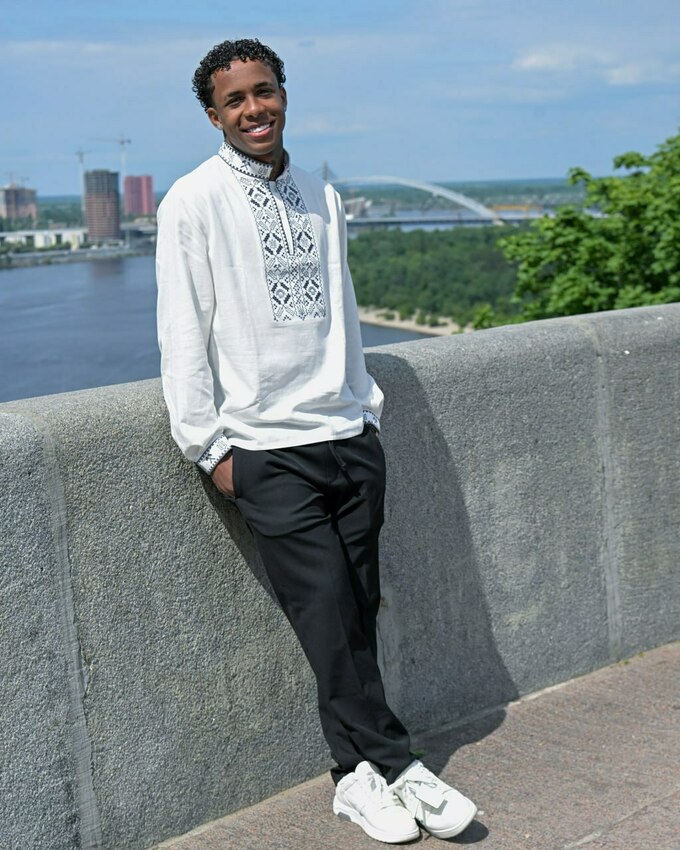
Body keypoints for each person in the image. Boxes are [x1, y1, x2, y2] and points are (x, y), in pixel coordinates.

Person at [156, 37, 477, 844]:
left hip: (347, 436)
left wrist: (365, 409)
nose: (253, 109)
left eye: (263, 91)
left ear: (283, 93)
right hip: (266, 451)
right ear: (213, 116)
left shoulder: (320, 195)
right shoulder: (192, 202)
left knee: (355, 612)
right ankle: (399, 766)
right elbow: (181, 335)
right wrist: (210, 451)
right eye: (235, 100)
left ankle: (355, 779)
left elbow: (344, 309)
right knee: (328, 616)